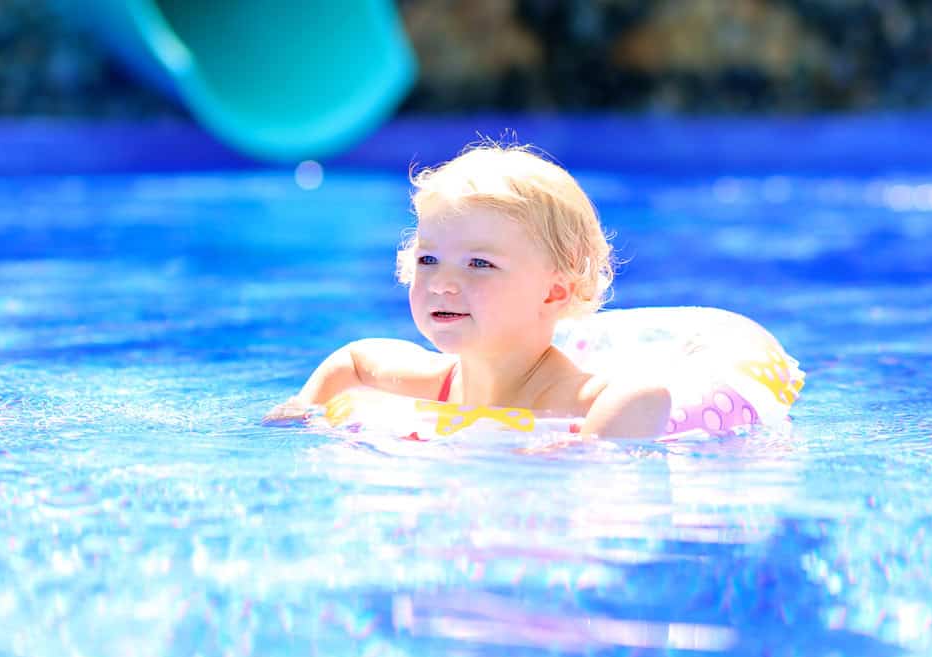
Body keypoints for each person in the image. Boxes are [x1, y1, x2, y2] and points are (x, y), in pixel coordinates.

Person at [263, 143, 671, 438]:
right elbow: (353, 360)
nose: (441, 282)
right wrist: (306, 409)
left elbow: (647, 396)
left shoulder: (580, 398)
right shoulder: (437, 382)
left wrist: (582, 455)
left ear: (554, 293)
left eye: (479, 264)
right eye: (428, 260)